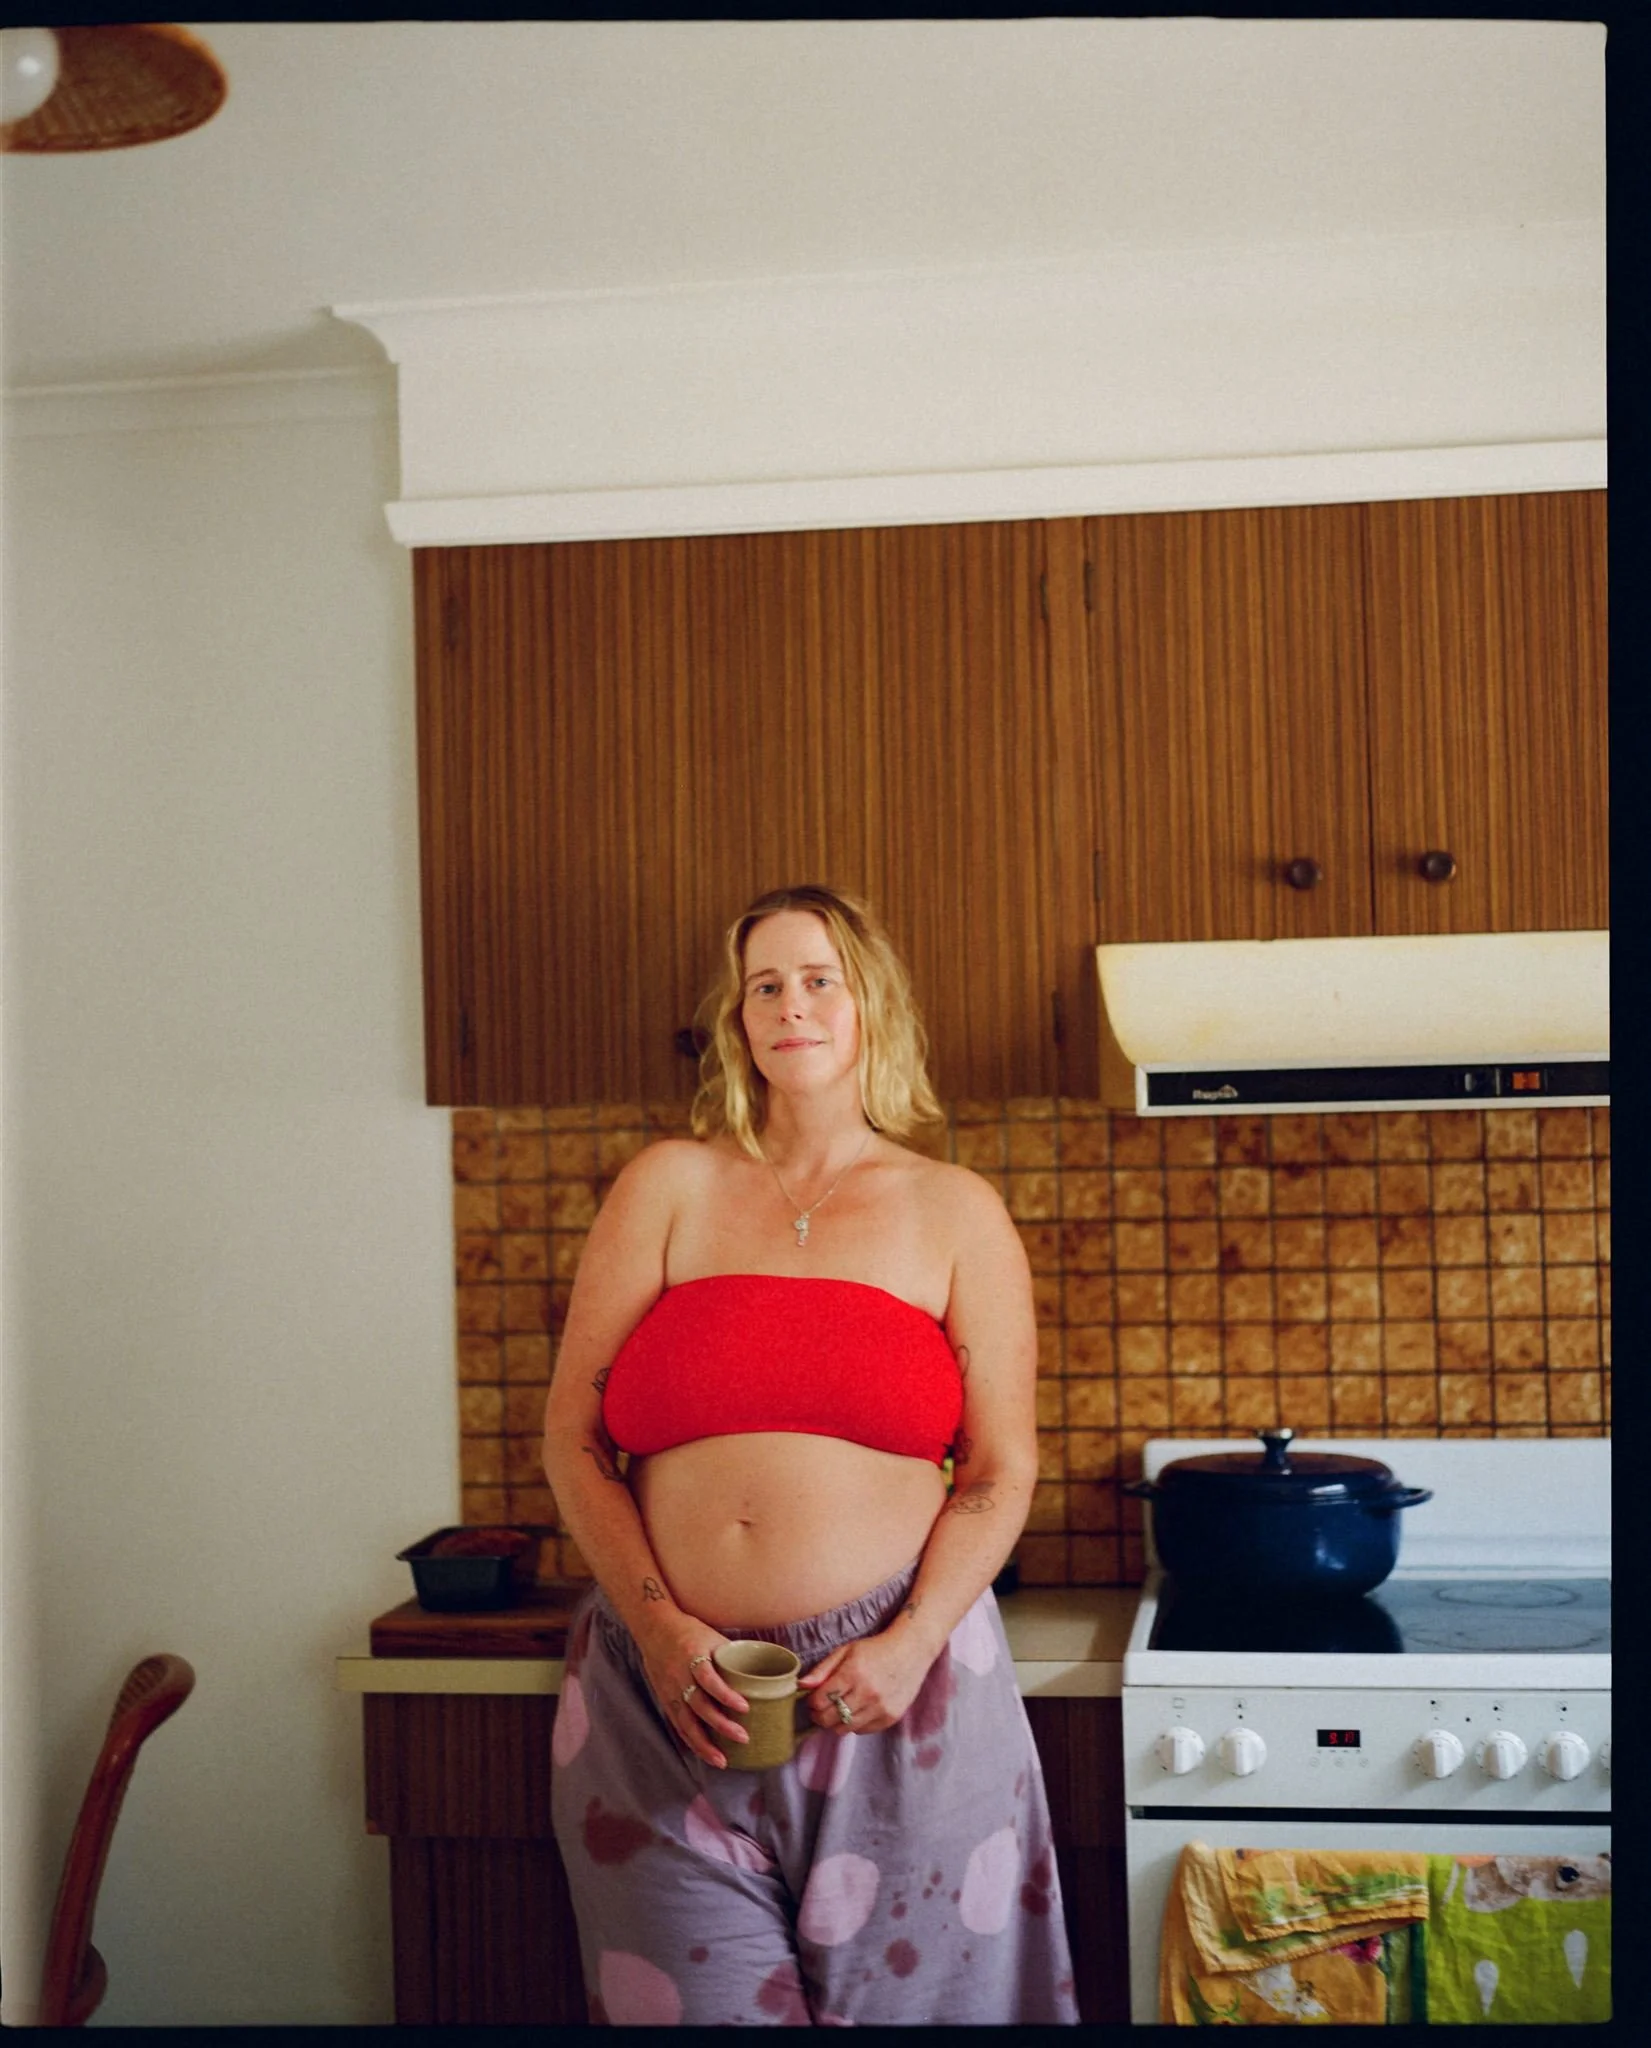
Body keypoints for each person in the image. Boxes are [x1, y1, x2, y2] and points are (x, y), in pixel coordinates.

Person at [542, 883, 1079, 2027]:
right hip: (665, 1692)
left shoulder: (954, 1211)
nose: (792, 1005)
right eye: (764, 986)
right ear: (739, 1021)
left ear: (869, 1002)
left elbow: (998, 1469)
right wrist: (658, 1623)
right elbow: (571, 1437)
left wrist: (910, 1640)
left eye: (819, 978)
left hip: (898, 1688)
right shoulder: (667, 1185)